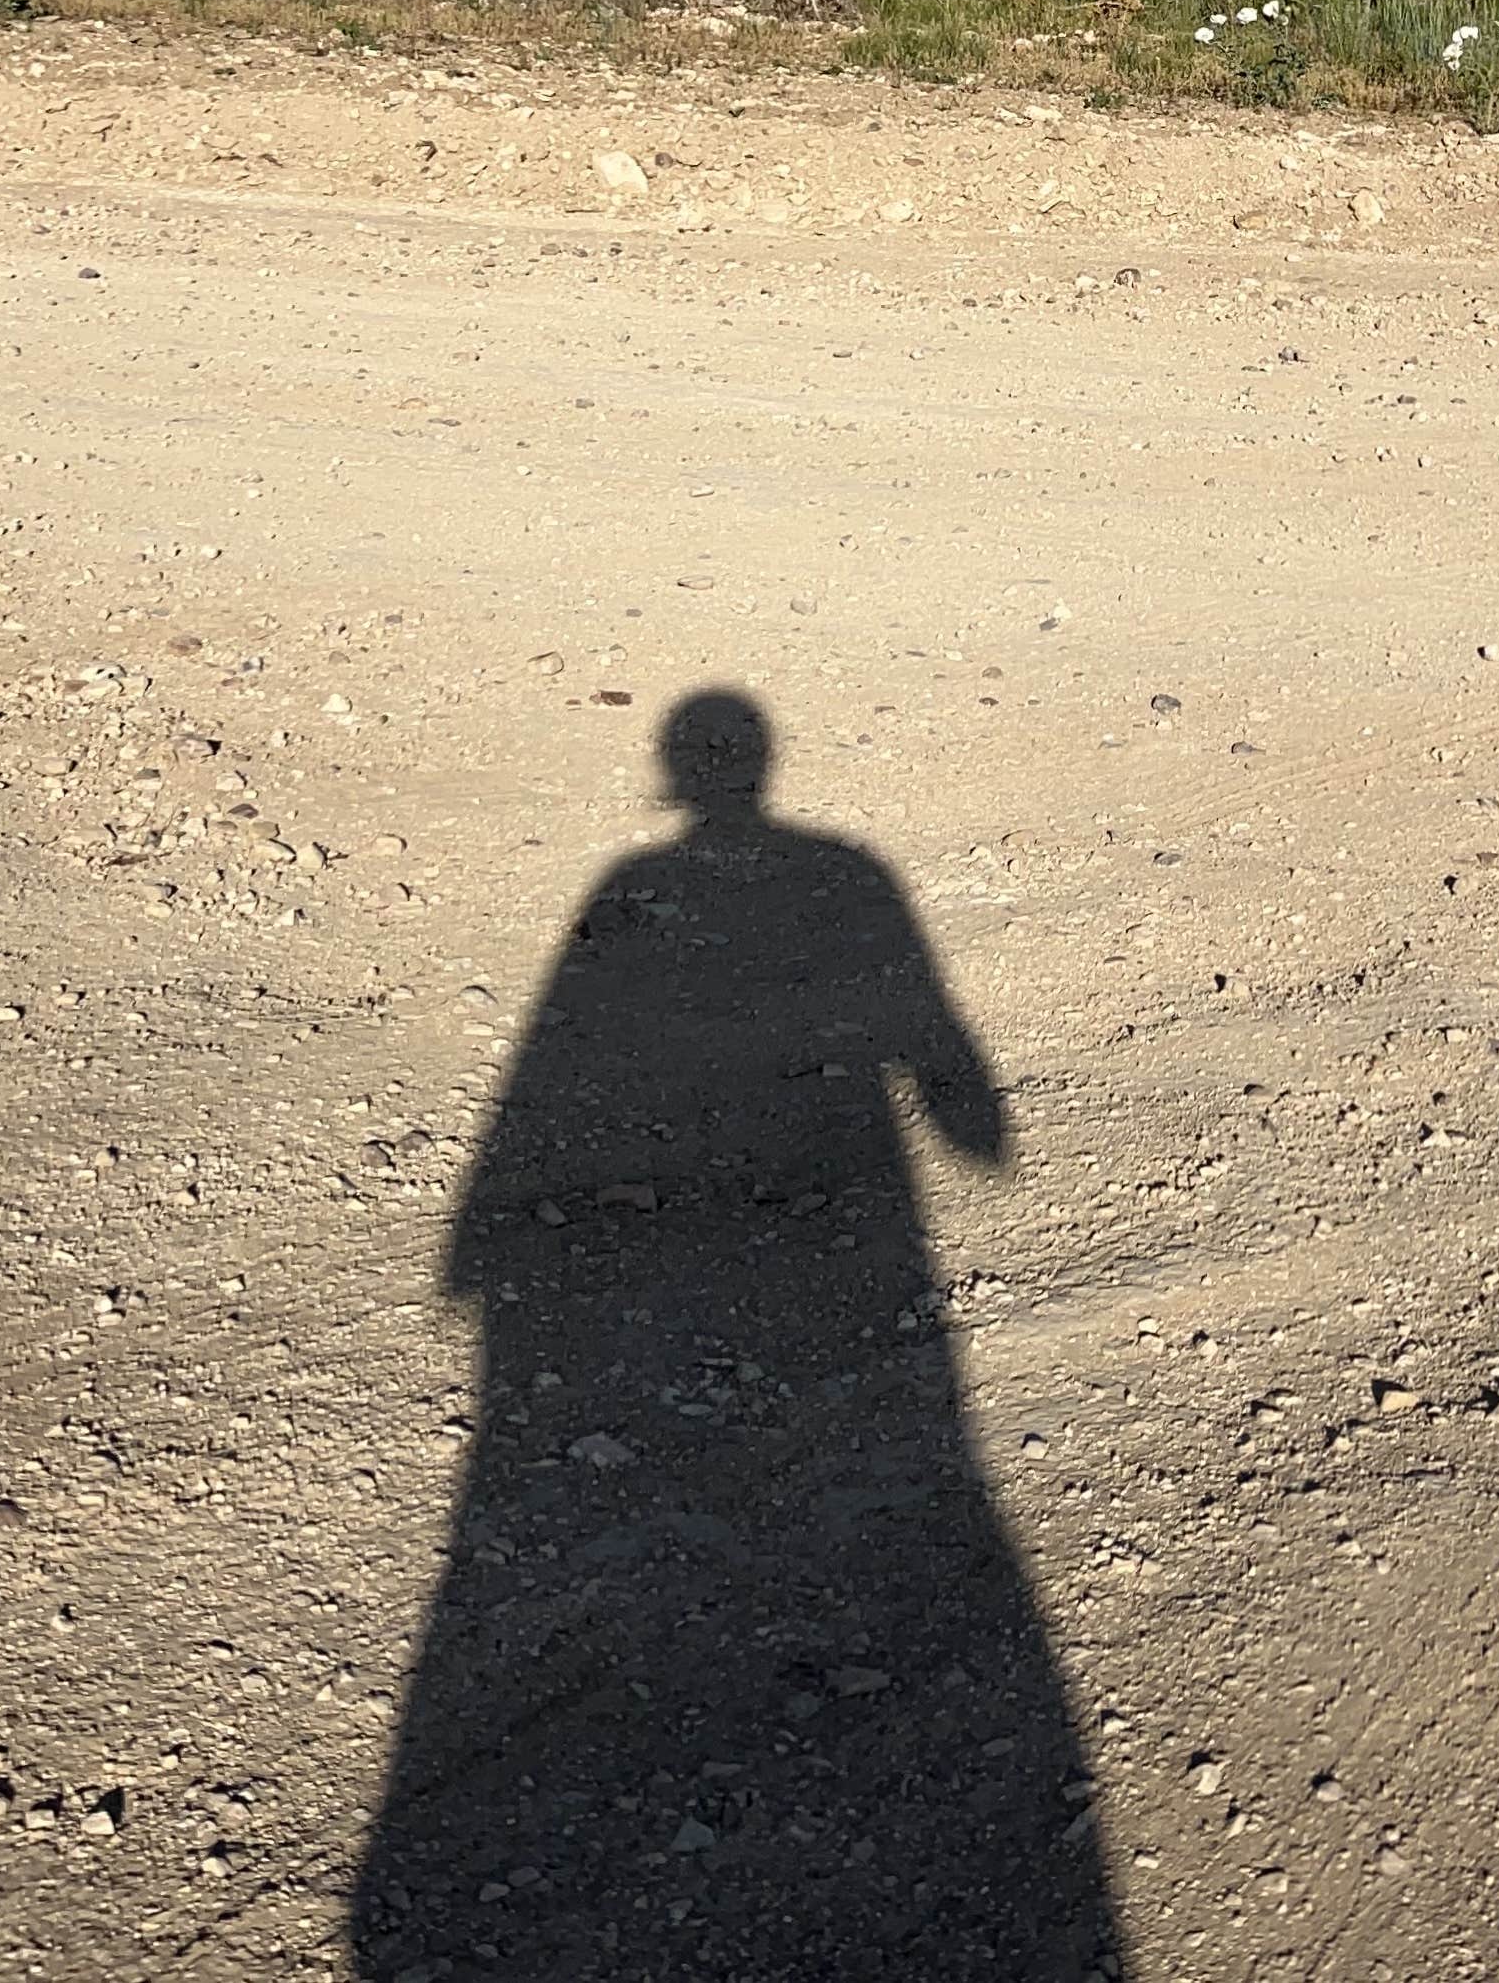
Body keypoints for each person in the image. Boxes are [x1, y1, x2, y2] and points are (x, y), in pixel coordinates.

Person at [356, 689, 1118, 1978]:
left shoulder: (646, 883)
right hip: (854, 1207)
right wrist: (964, 1102)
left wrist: (484, 1233)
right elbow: (929, 1038)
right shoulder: (839, 872)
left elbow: (555, 1046)